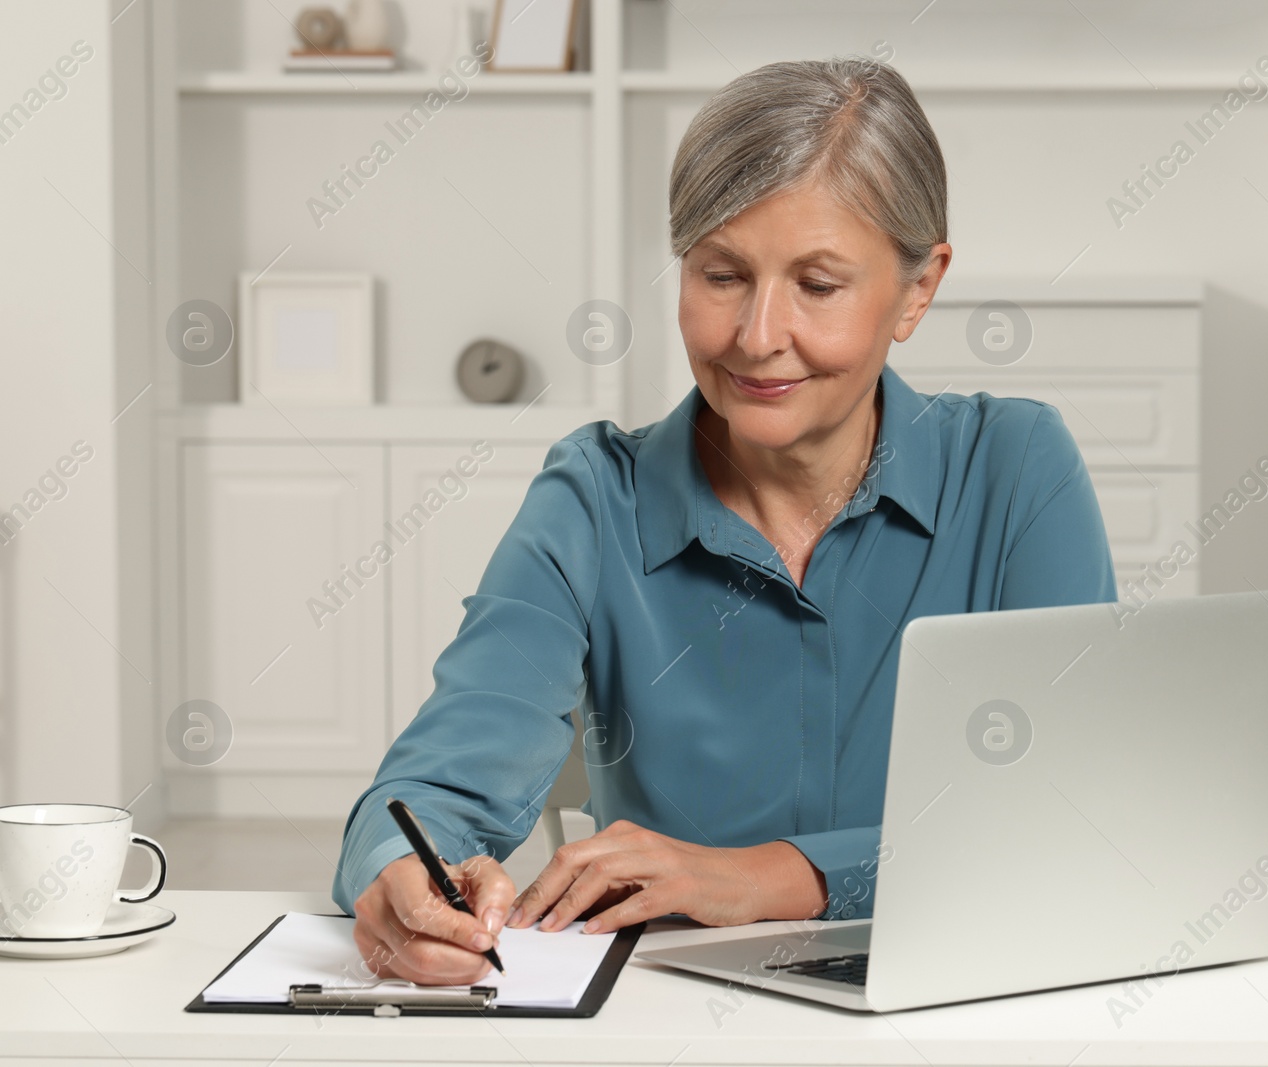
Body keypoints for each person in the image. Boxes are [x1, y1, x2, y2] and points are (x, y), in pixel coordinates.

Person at [333, 55, 1116, 986]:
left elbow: (1070, 809)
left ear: (918, 289)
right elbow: (443, 778)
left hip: (967, 1000)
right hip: (669, 1016)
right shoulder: (594, 498)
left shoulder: (1017, 468)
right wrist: (399, 870)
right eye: (722, 273)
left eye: (818, 285)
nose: (755, 334)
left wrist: (766, 877)